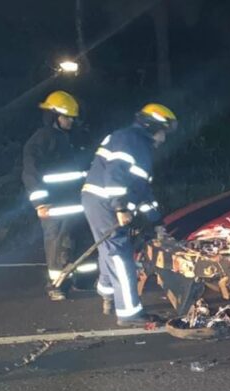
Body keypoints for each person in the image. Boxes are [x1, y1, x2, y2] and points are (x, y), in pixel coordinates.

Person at [82, 103, 178, 325]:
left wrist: (156, 221)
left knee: (110, 249)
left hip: (99, 201)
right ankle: (129, 312)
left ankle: (107, 292)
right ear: (154, 125)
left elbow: (141, 190)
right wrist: (120, 207)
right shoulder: (131, 140)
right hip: (104, 202)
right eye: (164, 131)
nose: (164, 138)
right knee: (120, 255)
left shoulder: (137, 144)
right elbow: (114, 176)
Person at [22, 90, 87, 301]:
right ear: (53, 116)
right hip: (54, 205)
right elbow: (30, 172)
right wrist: (41, 202)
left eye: (71, 117)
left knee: (71, 244)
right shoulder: (42, 139)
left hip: (72, 203)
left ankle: (72, 282)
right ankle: (56, 285)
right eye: (66, 117)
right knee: (57, 245)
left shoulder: (66, 140)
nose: (70, 121)